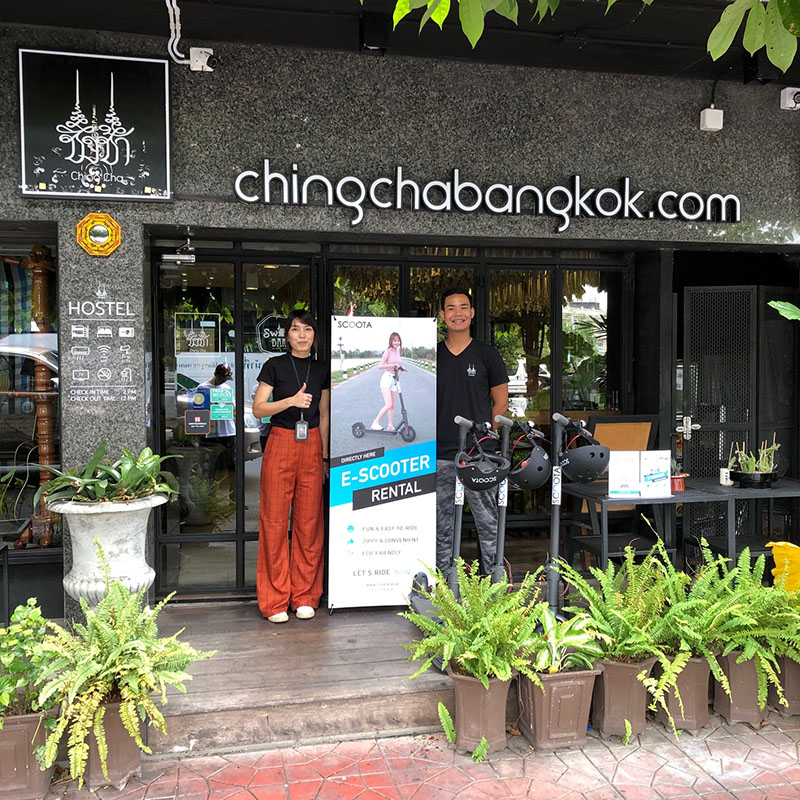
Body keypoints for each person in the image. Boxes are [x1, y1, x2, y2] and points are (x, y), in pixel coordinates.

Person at [252, 309, 330, 623]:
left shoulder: (321, 368)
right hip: (281, 439)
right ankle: (274, 601)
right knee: (273, 520)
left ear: (314, 335)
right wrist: (290, 402)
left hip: (312, 443)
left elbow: (323, 414)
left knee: (309, 522)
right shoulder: (274, 366)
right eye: (295, 330)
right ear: (287, 335)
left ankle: (305, 596)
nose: (301, 335)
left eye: (307, 330)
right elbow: (258, 409)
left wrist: (324, 456)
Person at [436, 288, 509, 575]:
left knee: (488, 522)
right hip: (439, 453)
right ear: (442, 315)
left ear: (472, 313)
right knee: (442, 525)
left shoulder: (486, 354)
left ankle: (496, 582)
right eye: (451, 308)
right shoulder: (432, 355)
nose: (457, 313)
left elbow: (500, 402)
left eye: (463, 307)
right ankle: (442, 581)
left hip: (480, 455)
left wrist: (489, 432)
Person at [199, 363, 236, 471]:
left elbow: (233, 407)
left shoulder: (226, 388)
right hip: (212, 432)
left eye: (225, 378)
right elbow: (198, 409)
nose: (223, 380)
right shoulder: (203, 388)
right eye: (221, 378)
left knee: (230, 461)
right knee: (212, 462)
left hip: (228, 430)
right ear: (215, 374)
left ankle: (232, 486)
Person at [370, 331, 406, 431]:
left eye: (398, 341)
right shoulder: (388, 351)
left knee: (392, 406)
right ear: (391, 341)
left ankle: (390, 425)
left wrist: (400, 368)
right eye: (395, 341)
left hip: (395, 380)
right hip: (386, 379)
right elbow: (380, 366)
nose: (397, 343)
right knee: (388, 404)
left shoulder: (397, 351)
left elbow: (397, 364)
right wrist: (392, 365)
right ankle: (375, 422)